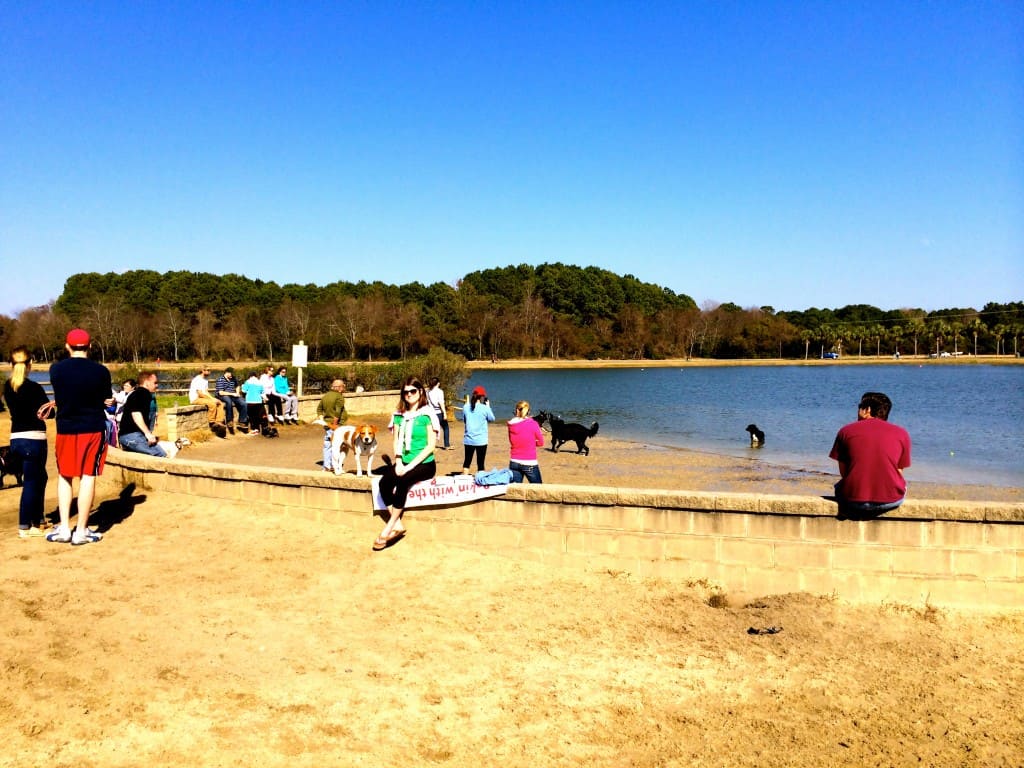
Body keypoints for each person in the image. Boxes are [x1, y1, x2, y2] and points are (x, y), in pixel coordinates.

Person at [46, 328, 113, 545]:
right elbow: (106, 398)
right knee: (88, 476)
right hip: (92, 427)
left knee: (65, 476)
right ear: (90, 346)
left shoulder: (56, 370)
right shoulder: (101, 371)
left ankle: (65, 528)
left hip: (66, 428)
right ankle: (81, 531)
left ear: (67, 346)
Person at [373, 377, 439, 551]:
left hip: (424, 464)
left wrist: (409, 468)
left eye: (413, 391)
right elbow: (396, 442)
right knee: (384, 483)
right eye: (406, 392)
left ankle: (389, 526)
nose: (409, 395)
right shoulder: (398, 416)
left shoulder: (427, 414)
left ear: (420, 392)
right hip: (404, 461)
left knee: (403, 482)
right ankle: (398, 525)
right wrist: (399, 462)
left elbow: (430, 446)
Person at [829, 391, 912, 517]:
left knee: (839, 486)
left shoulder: (846, 431)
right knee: (902, 486)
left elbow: (844, 472)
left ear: (867, 410)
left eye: (859, 407)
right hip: (890, 501)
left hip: (852, 501)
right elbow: (899, 472)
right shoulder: (901, 433)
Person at [3, 347, 52, 537]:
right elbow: (48, 412)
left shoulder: (8, 386)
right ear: (30, 364)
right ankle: (25, 526)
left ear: (11, 364)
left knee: (40, 478)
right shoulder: (34, 387)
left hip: (16, 439)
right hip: (34, 439)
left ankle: (38, 520)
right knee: (32, 481)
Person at [118, 371, 179, 457]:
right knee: (161, 454)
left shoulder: (137, 393)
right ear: (146, 383)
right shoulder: (143, 393)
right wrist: (148, 434)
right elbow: (136, 414)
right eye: (155, 383)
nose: (157, 385)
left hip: (128, 436)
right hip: (131, 436)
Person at [458, 385, 495, 474]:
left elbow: (465, 420)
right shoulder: (485, 408)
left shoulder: (466, 407)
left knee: (467, 462)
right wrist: (488, 406)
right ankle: (480, 481)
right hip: (481, 440)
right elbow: (492, 419)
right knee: (481, 463)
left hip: (469, 439)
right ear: (482, 397)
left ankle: (464, 479)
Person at [507, 400, 544, 483]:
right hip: (529, 462)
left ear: (516, 410)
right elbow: (541, 442)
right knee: (538, 490)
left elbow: (512, 441)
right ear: (528, 411)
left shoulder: (511, 425)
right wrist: (531, 442)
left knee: (516, 491)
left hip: (514, 461)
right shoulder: (533, 424)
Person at [317, 379, 347, 471]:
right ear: (339, 388)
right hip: (336, 425)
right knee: (336, 445)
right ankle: (334, 466)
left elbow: (319, 410)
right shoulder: (339, 397)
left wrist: (323, 421)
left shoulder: (325, 396)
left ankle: (326, 465)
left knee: (327, 445)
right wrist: (335, 425)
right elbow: (337, 413)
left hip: (327, 424)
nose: (344, 388)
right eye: (343, 386)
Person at [188, 365, 226, 436]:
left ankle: (219, 422)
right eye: (208, 370)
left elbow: (206, 391)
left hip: (203, 398)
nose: (209, 372)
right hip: (195, 398)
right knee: (212, 404)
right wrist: (211, 399)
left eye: (209, 370)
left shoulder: (205, 380)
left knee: (220, 403)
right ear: (203, 371)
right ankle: (212, 422)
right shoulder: (197, 379)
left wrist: (213, 398)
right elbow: (200, 393)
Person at [215, 367, 248, 434]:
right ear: (226, 372)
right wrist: (233, 394)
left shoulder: (233, 378)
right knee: (228, 401)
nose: (231, 375)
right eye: (230, 374)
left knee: (243, 403)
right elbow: (221, 392)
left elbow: (237, 386)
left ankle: (242, 421)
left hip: (233, 395)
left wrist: (237, 393)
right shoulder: (220, 380)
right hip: (223, 395)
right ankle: (229, 421)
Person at [426, 377, 450, 450]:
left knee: (433, 429)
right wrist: (444, 413)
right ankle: (447, 445)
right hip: (439, 412)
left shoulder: (428, 392)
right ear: (438, 383)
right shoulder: (439, 391)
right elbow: (441, 403)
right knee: (446, 428)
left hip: (431, 413)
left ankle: (431, 445)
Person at [241, 371, 266, 435]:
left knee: (252, 416)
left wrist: (242, 386)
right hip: (258, 401)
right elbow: (262, 392)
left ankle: (254, 429)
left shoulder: (248, 381)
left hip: (250, 401)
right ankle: (258, 429)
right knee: (257, 416)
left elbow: (243, 390)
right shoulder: (259, 382)